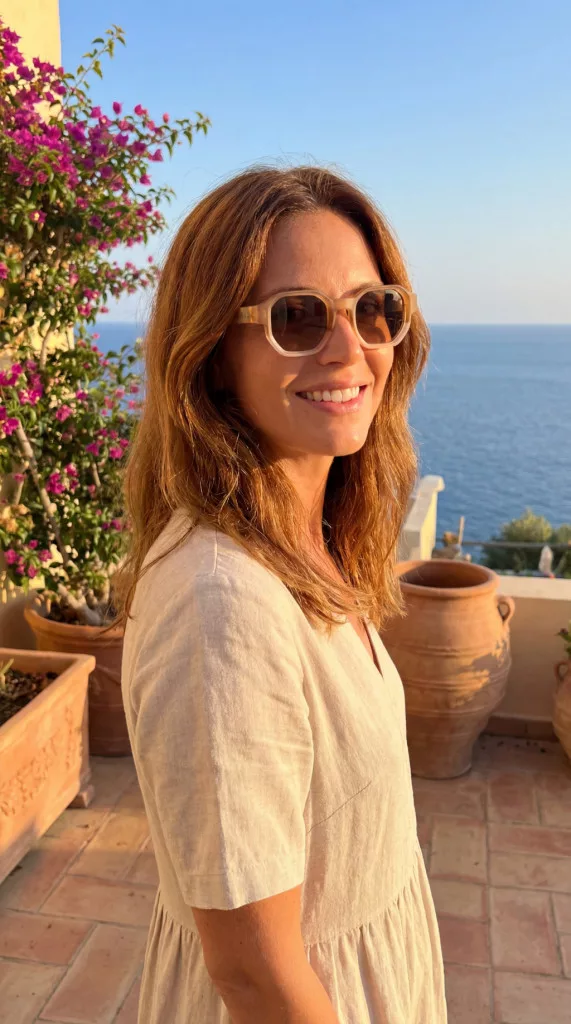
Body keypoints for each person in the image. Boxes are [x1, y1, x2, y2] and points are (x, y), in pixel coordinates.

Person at [116, 164, 447, 1023]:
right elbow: (255, 975)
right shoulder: (221, 606)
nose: (348, 348)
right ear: (212, 354)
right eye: (297, 317)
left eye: (373, 308)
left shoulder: (309, 538)